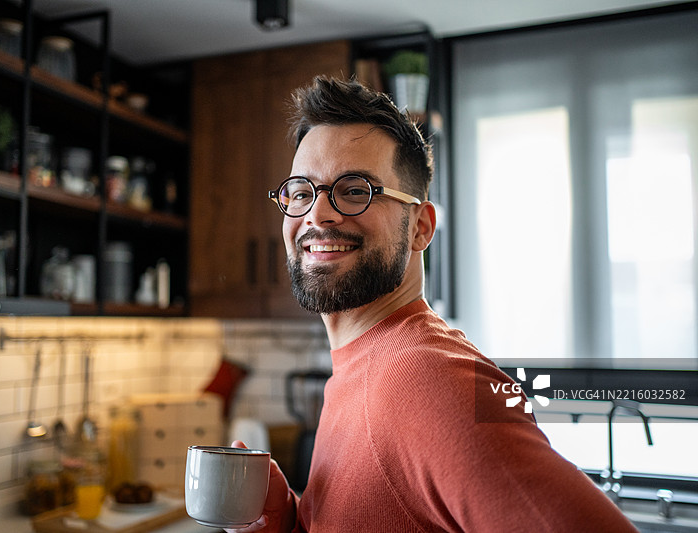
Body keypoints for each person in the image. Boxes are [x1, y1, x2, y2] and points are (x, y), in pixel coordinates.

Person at [228, 76, 637, 532]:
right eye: (302, 192)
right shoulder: (364, 366)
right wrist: (290, 520)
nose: (317, 214)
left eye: (355, 189)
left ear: (420, 226)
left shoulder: (429, 383)